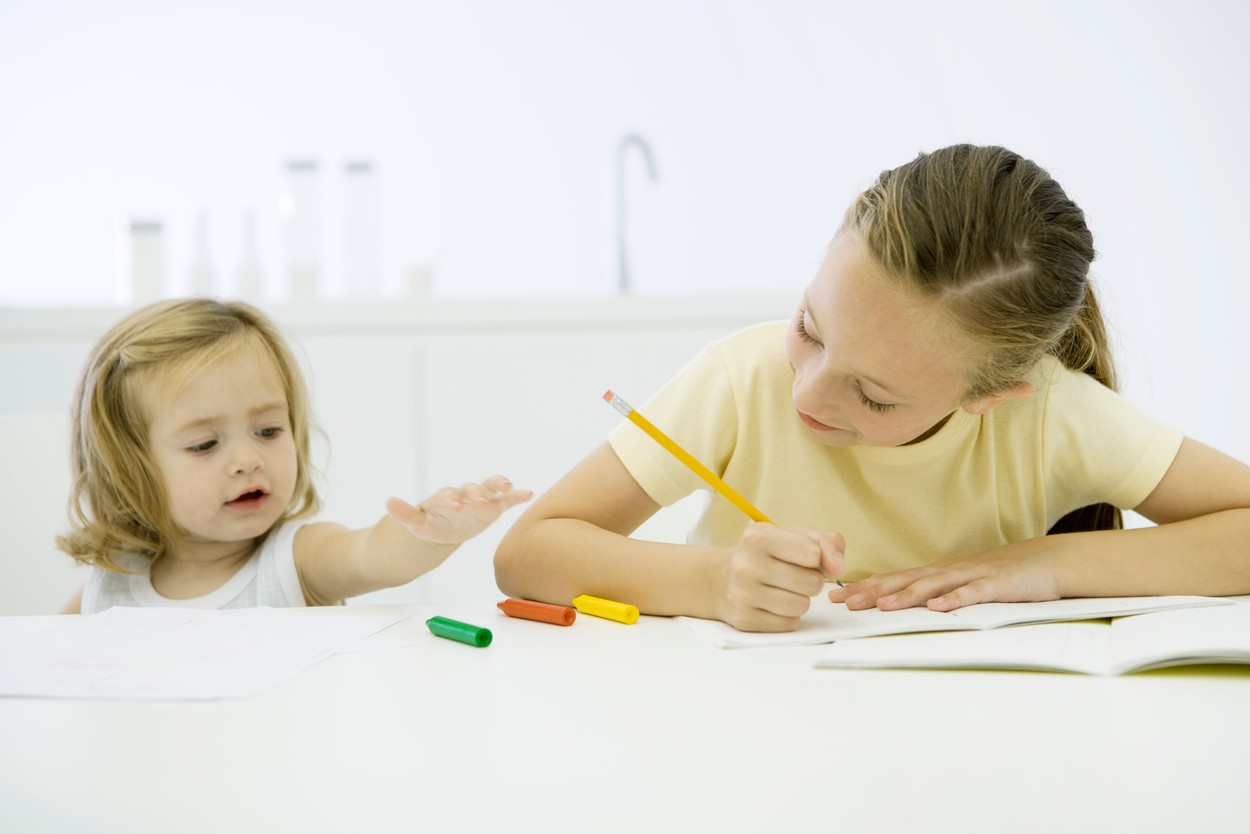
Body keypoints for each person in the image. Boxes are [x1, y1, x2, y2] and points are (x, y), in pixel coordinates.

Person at [495, 143, 1250, 632]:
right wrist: (716, 581)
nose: (809, 398)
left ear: (993, 393)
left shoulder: (1053, 415)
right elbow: (529, 552)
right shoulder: (744, 377)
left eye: (876, 398)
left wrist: (1039, 564)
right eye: (811, 330)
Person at [58, 298, 531, 614]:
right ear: (125, 470)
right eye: (205, 444)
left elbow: (371, 556)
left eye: (268, 430)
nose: (247, 459)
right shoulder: (109, 588)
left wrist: (429, 535)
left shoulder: (296, 560)